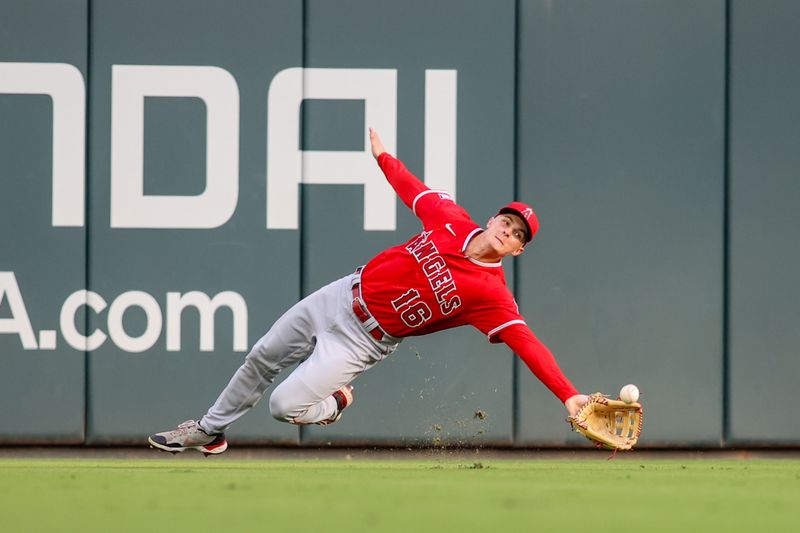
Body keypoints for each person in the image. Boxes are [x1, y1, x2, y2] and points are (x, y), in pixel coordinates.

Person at [148, 128, 589, 455]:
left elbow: (529, 345)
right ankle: (210, 429)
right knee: (262, 355)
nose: (508, 232)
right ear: (494, 219)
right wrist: (383, 158)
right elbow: (412, 190)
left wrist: (569, 395)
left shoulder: (492, 295)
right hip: (341, 294)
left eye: (517, 235)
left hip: (364, 341)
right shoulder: (451, 219)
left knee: (283, 407)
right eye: (507, 222)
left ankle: (335, 403)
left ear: (516, 250)